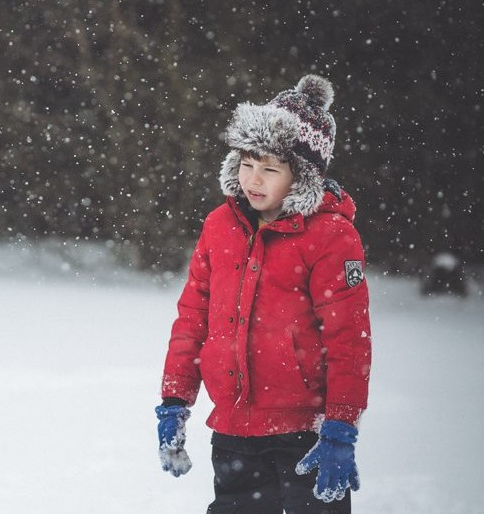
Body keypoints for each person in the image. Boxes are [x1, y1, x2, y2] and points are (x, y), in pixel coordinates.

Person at [156, 75, 372, 514]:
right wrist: (175, 399)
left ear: (302, 175)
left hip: (304, 435)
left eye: (271, 168)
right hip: (234, 430)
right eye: (247, 163)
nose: (254, 179)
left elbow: (349, 340)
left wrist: (340, 426)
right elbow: (193, 317)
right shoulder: (220, 225)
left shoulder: (331, 236)